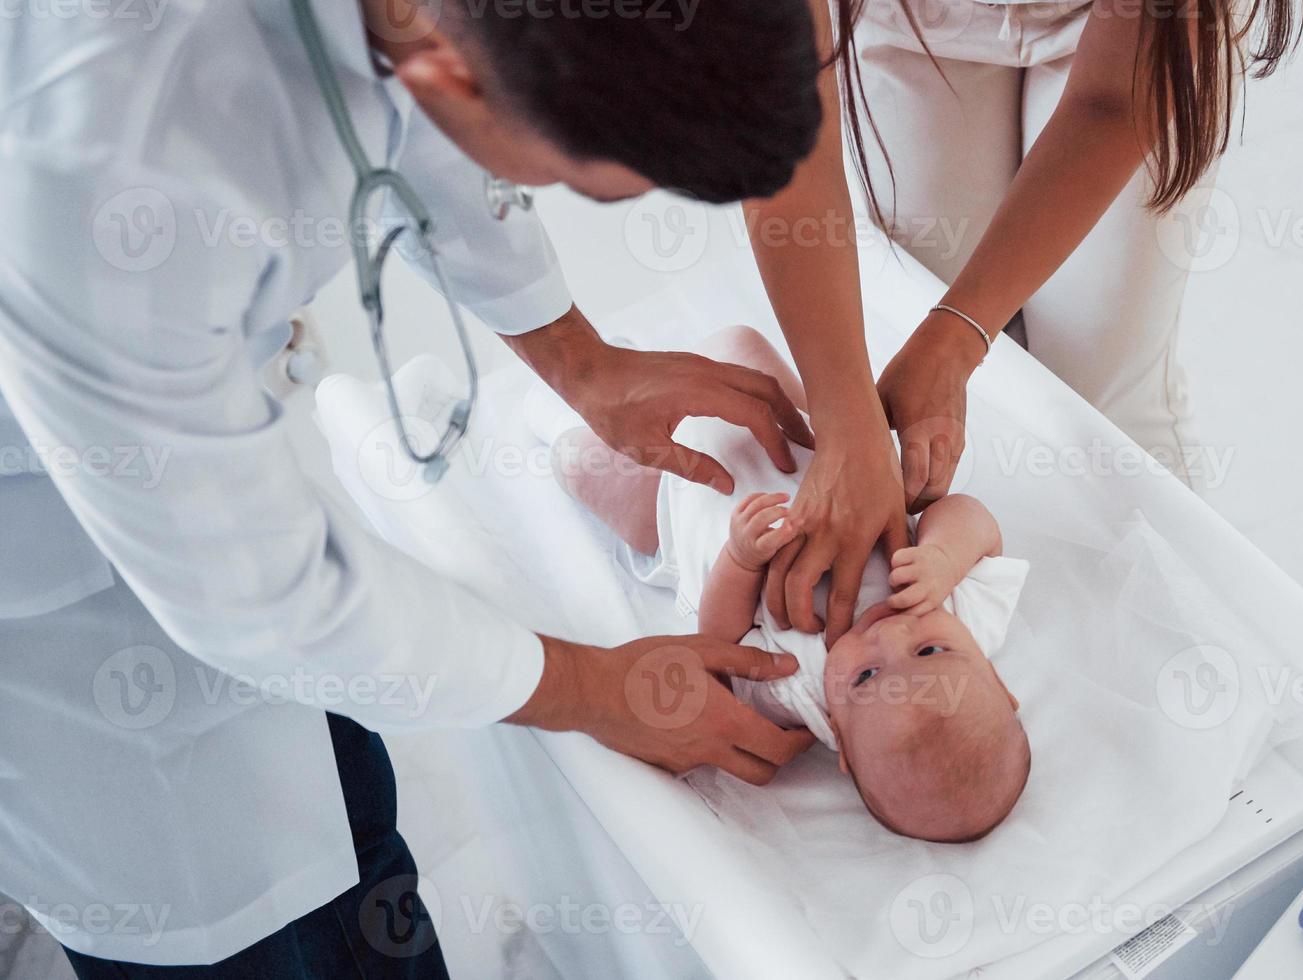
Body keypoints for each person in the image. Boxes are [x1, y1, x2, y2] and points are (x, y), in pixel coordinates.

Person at [0, 0, 831, 974]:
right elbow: (265, 602)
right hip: (53, 567)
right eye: (574, 181)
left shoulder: (431, 40)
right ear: (452, 78)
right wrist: (590, 686)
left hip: (181, 438)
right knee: (244, 916)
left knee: (351, 822)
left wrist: (580, 359)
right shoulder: (112, 165)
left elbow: (419, 124)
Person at [741, 0, 1303, 585]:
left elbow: (1117, 101)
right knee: (936, 388)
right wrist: (844, 422)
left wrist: (958, 334)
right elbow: (782, 138)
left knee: (1101, 402)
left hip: (1128, 39)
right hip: (912, 23)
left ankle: (1172, 641)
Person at [530, 326, 1032, 843]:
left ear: (836, 733)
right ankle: (634, 363)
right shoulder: (969, 612)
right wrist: (943, 554)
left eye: (865, 676)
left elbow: (721, 642)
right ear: (996, 680)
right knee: (738, 346)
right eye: (929, 650)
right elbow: (974, 520)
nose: (889, 637)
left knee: (580, 462)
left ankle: (556, 400)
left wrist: (743, 560)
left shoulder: (798, 690)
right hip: (805, 444)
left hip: (683, 505)